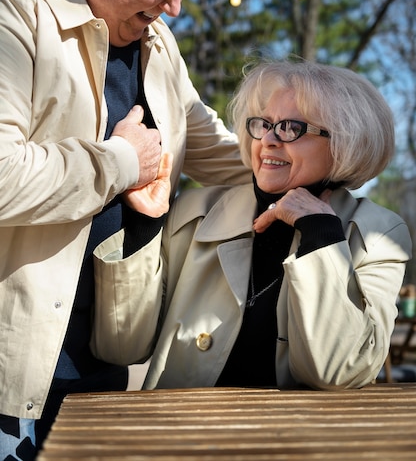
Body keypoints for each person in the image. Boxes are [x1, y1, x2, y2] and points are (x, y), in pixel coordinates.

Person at [0, 0, 250, 459]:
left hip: (107, 361)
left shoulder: (157, 45)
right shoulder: (12, 14)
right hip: (13, 376)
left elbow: (224, 154)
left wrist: (322, 158)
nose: (177, 8)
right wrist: (119, 162)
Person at [92, 58, 412, 392]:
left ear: (344, 143)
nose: (269, 140)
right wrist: (145, 225)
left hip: (307, 439)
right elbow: (120, 348)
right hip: (182, 431)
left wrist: (321, 234)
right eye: (263, 124)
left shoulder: (378, 234)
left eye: (292, 127)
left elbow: (337, 373)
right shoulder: (193, 212)